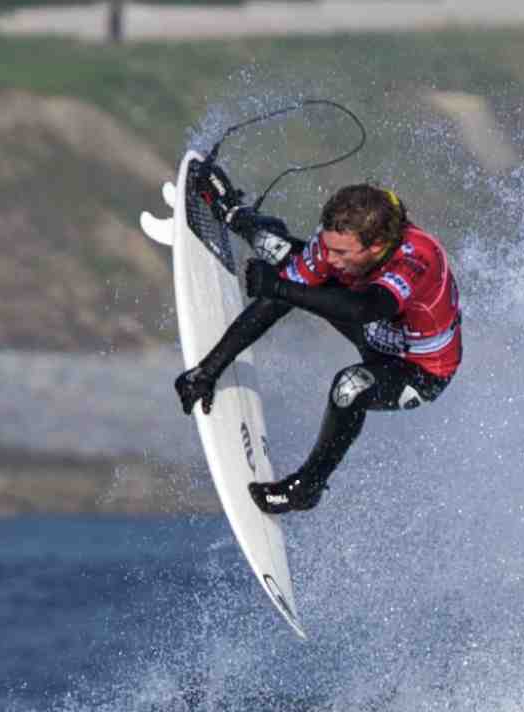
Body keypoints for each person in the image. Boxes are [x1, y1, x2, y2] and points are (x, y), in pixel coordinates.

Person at [172, 170, 461, 517]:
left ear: (377, 246)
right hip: (373, 335)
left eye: (342, 252)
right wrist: (208, 370)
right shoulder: (338, 244)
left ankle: (306, 487)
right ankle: (230, 208)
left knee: (350, 387)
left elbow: (364, 309)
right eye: (329, 246)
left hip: (417, 371)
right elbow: (277, 302)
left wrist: (278, 287)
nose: (332, 257)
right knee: (274, 249)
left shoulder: (418, 259)